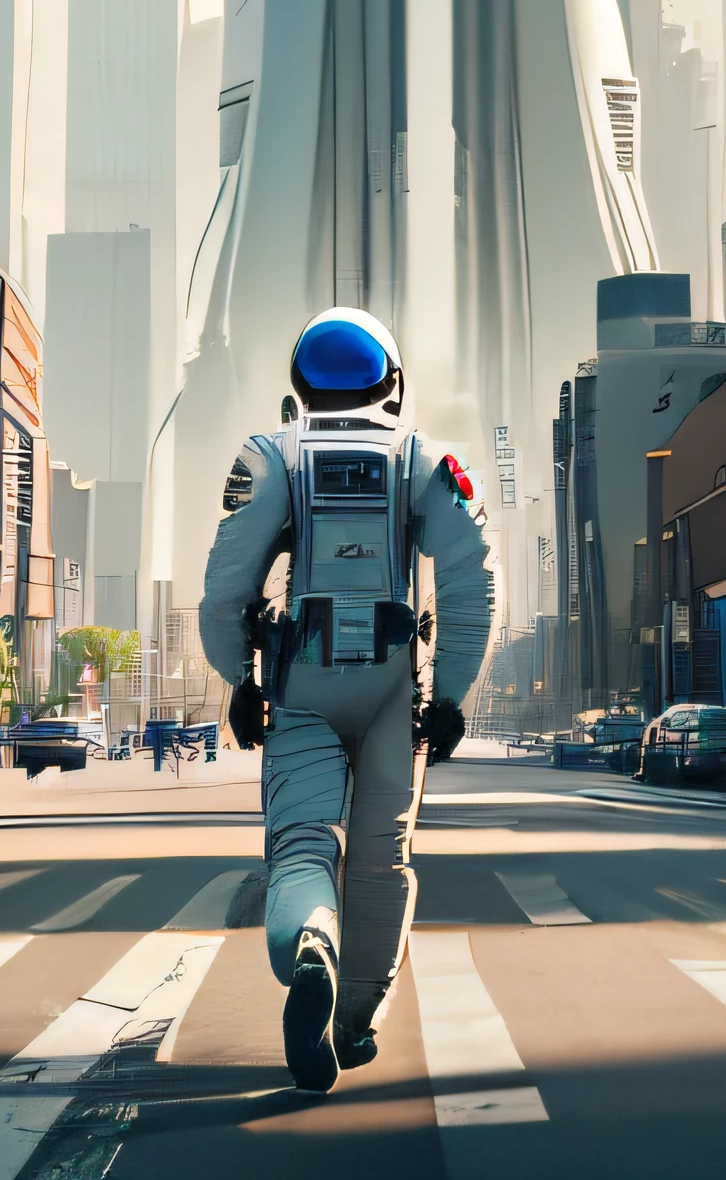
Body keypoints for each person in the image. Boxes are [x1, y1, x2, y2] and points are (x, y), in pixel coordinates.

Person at [201, 306, 492, 1097]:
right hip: (397, 689)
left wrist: (241, 679)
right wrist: (454, 696)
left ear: (299, 384)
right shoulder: (424, 462)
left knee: (301, 846)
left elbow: (227, 587)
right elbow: (470, 584)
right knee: (380, 862)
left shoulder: (270, 459)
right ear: (392, 383)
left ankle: (311, 948)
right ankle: (356, 1021)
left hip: (302, 683)